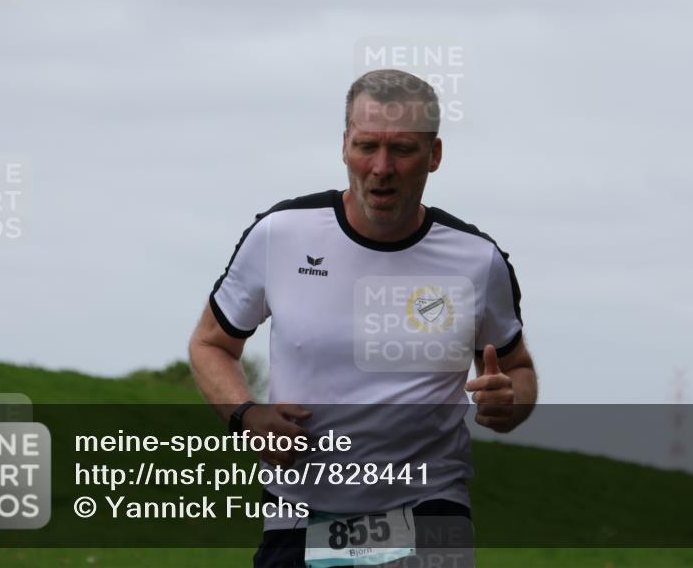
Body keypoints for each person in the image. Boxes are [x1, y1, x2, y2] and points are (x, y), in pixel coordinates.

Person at [189, 69, 537, 567]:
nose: (381, 167)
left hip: (429, 506)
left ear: (434, 155)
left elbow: (516, 368)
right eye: (366, 145)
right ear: (344, 145)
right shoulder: (280, 235)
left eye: (403, 150)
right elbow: (210, 344)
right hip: (300, 511)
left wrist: (511, 402)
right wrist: (247, 416)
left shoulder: (476, 260)